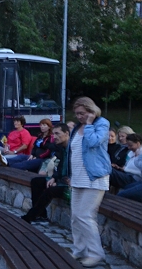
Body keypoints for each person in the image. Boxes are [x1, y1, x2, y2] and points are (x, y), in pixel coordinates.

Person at [69, 97, 110, 268]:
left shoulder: (101, 123)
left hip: (95, 177)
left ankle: (96, 253)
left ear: (91, 111)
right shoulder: (77, 127)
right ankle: (80, 250)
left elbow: (94, 142)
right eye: (77, 114)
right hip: (77, 178)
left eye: (82, 113)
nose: (79, 117)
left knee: (85, 215)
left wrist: (90, 122)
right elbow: (72, 152)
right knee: (75, 217)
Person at [21, 123, 70, 223]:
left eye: (57, 134)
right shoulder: (61, 148)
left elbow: (72, 170)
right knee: (36, 181)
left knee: (49, 191)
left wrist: (59, 181)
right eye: (53, 134)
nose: (54, 137)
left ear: (66, 134)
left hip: (71, 184)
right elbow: (59, 166)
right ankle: (41, 215)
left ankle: (30, 217)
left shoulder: (74, 149)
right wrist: (54, 178)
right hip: (61, 179)